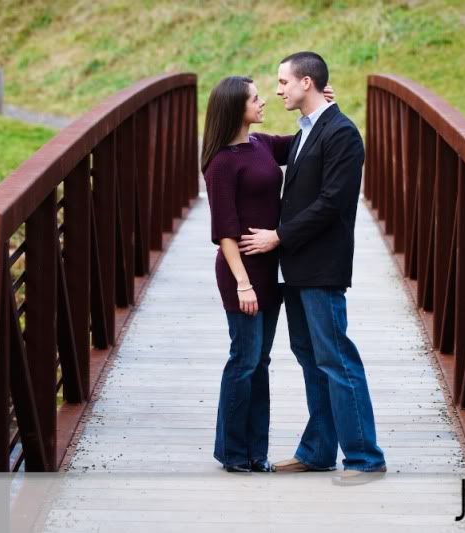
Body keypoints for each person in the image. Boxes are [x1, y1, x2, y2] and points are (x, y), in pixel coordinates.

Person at [239, 51, 387, 481]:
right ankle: (319, 451)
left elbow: (331, 203)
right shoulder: (309, 129)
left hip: (320, 268)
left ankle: (365, 457)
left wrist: (278, 236)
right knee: (311, 358)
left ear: (307, 83)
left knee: (337, 359)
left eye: (284, 82)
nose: (278, 89)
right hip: (296, 269)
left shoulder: (342, 134)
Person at [201, 75, 334, 473]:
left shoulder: (260, 145)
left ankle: (254, 452)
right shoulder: (222, 163)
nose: (264, 102)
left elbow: (301, 145)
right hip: (241, 274)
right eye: (256, 99)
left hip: (270, 269)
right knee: (243, 361)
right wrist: (243, 283)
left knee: (260, 362)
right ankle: (233, 452)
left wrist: (319, 107)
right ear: (235, 109)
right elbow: (224, 232)